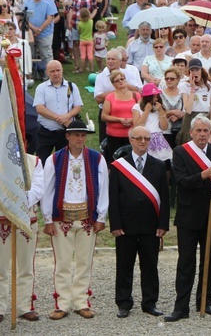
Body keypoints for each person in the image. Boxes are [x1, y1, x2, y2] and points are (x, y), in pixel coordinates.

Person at [41, 120, 108, 320]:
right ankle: (62, 303)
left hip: (87, 217)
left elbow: (103, 188)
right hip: (62, 218)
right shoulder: (54, 159)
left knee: (84, 262)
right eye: (76, 135)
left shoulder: (97, 159)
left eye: (83, 135)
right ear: (67, 136)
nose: (80, 138)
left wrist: (101, 216)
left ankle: (81, 302)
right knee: (62, 263)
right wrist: (47, 219)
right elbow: (47, 190)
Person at [164, 115, 211, 322]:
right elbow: (181, 182)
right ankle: (181, 306)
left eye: (206, 131)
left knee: (210, 260)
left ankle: (205, 301)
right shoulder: (180, 152)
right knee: (186, 262)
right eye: (199, 131)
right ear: (191, 132)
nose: (202, 134)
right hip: (188, 215)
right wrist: (203, 175)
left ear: (210, 133)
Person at [109, 126, 170, 319]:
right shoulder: (119, 166)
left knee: (150, 265)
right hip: (125, 226)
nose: (142, 141)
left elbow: (165, 198)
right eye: (138, 138)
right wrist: (115, 224)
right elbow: (113, 197)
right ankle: (124, 303)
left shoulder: (159, 166)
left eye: (146, 138)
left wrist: (163, 224)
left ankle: (149, 302)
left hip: (150, 225)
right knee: (124, 265)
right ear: (131, 140)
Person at [0, 154, 44, 322]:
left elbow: (39, 188)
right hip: (2, 220)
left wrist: (19, 199)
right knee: (0, 267)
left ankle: (24, 306)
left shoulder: (34, 161)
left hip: (26, 220)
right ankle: (0, 307)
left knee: (26, 267)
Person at [33, 60, 83, 163]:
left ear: (62, 70)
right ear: (47, 72)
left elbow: (77, 107)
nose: (56, 73)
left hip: (66, 133)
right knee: (41, 162)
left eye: (58, 70)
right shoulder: (41, 88)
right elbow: (40, 109)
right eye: (52, 71)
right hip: (46, 132)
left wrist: (67, 116)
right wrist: (61, 119)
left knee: (65, 162)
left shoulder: (72, 86)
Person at [102, 70, 141, 163]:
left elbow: (142, 113)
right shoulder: (110, 97)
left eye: (122, 79)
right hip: (114, 136)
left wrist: (132, 120)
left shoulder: (136, 95)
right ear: (113, 84)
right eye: (116, 80)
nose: (120, 81)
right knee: (115, 162)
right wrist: (119, 120)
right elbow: (104, 116)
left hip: (133, 135)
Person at [177, 59, 211, 145]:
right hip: (191, 118)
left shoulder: (209, 86)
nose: (195, 73)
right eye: (192, 70)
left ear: (201, 70)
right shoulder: (185, 85)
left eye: (197, 70)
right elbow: (188, 110)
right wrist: (192, 89)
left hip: (205, 118)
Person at [132, 83, 173, 161]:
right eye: (153, 97)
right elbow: (137, 126)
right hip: (144, 138)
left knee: (164, 162)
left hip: (158, 139)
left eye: (157, 96)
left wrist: (160, 111)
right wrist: (146, 111)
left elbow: (164, 127)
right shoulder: (137, 107)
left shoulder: (159, 107)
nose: (156, 99)